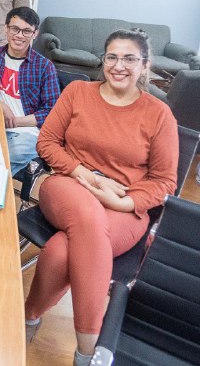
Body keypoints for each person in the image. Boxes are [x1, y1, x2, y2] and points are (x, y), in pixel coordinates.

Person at [24, 29, 178, 365]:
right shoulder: (78, 92)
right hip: (68, 184)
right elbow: (47, 142)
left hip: (125, 205)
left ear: (145, 65)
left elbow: (165, 181)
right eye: (112, 57)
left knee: (62, 250)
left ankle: (29, 316)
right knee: (88, 217)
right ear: (103, 60)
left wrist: (122, 202)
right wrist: (88, 176)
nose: (119, 66)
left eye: (129, 59)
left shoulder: (159, 114)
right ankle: (89, 350)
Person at [0, 7, 59, 175]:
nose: (19, 35)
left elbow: (52, 112)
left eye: (26, 31)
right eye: (15, 29)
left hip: (27, 133)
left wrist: (16, 122)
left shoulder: (44, 66)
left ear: (35, 34)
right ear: (6, 28)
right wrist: (0, 104)